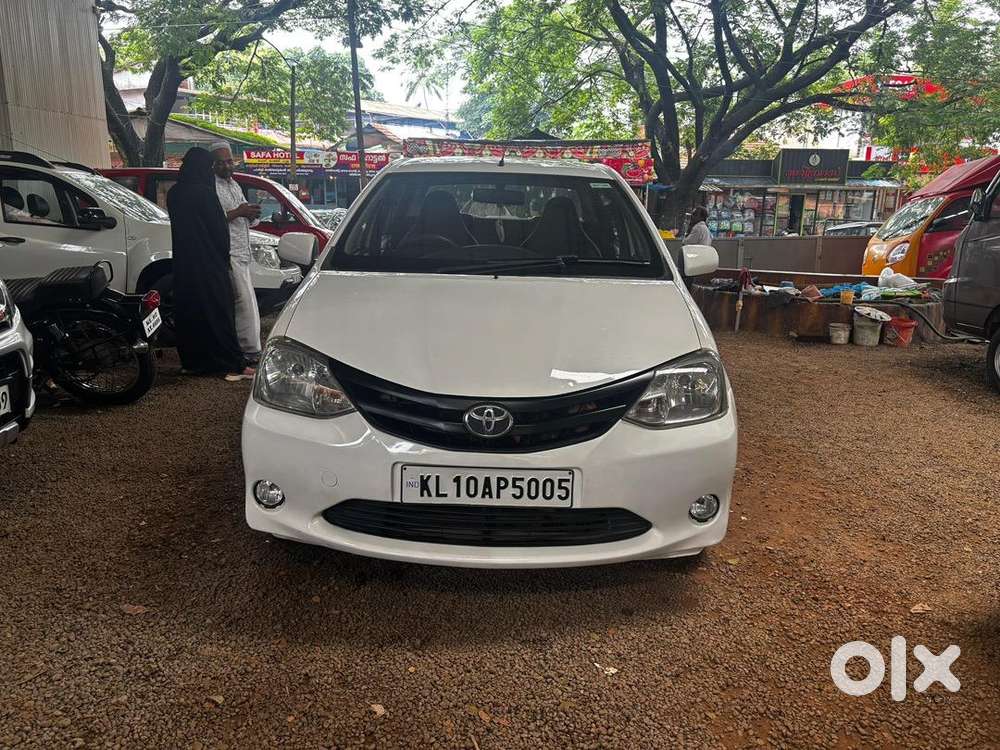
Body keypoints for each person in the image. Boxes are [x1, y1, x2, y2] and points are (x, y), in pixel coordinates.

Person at [166, 147, 253, 381]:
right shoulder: (205, 194)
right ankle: (231, 363)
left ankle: (194, 362)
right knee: (219, 312)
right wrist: (223, 258)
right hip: (209, 263)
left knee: (190, 312)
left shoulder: (174, 194)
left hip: (185, 263)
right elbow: (219, 231)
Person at [210, 141, 263, 363]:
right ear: (213, 166)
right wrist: (239, 212)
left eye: (229, 161)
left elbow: (244, 215)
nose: (226, 166)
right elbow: (211, 220)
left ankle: (251, 346)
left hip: (242, 250)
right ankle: (245, 349)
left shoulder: (234, 185)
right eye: (221, 163)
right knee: (241, 300)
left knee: (248, 299)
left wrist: (250, 214)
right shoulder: (210, 188)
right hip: (228, 250)